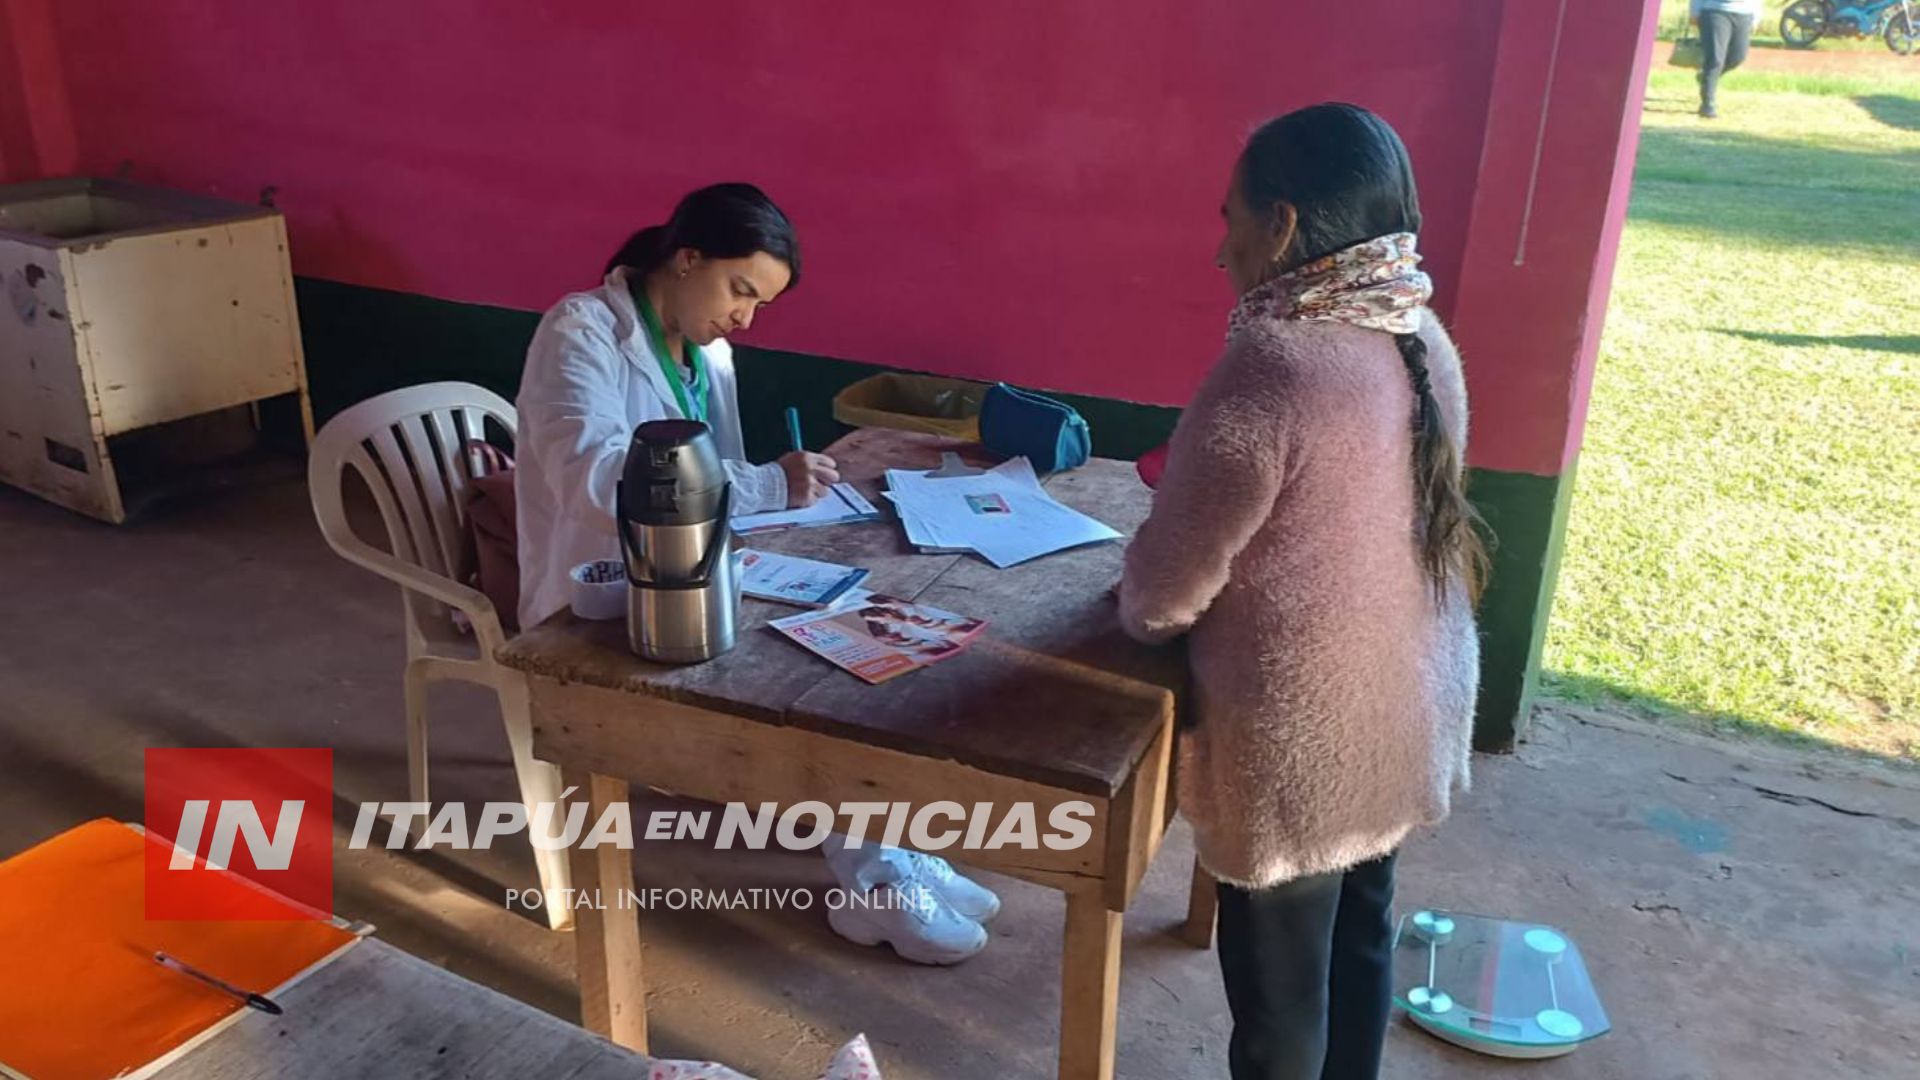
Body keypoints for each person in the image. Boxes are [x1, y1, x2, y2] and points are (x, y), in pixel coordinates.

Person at [515, 182, 999, 964]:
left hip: (698, 575)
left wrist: (779, 499)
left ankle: (885, 846)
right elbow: (597, 480)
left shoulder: (710, 352)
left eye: (760, 304)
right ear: (687, 258)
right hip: (603, 599)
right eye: (740, 290)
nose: (745, 317)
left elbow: (724, 478)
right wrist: (768, 484)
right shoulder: (580, 333)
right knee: (816, 675)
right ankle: (874, 877)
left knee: (864, 630)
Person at [1117, 105, 1483, 1080]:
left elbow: (1162, 596)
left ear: (1279, 226)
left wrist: (1136, 596)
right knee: (1360, 942)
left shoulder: (1274, 366)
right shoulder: (1419, 336)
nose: (1219, 249)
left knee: (1281, 1007)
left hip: (1303, 747)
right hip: (1405, 709)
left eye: (1230, 217)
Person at [1694, 0, 1761, 119]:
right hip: (1715, 10)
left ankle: (1706, 77)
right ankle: (1708, 104)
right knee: (1715, 58)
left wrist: (1756, 16)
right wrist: (1695, 10)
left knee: (1738, 57)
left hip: (1744, 13)